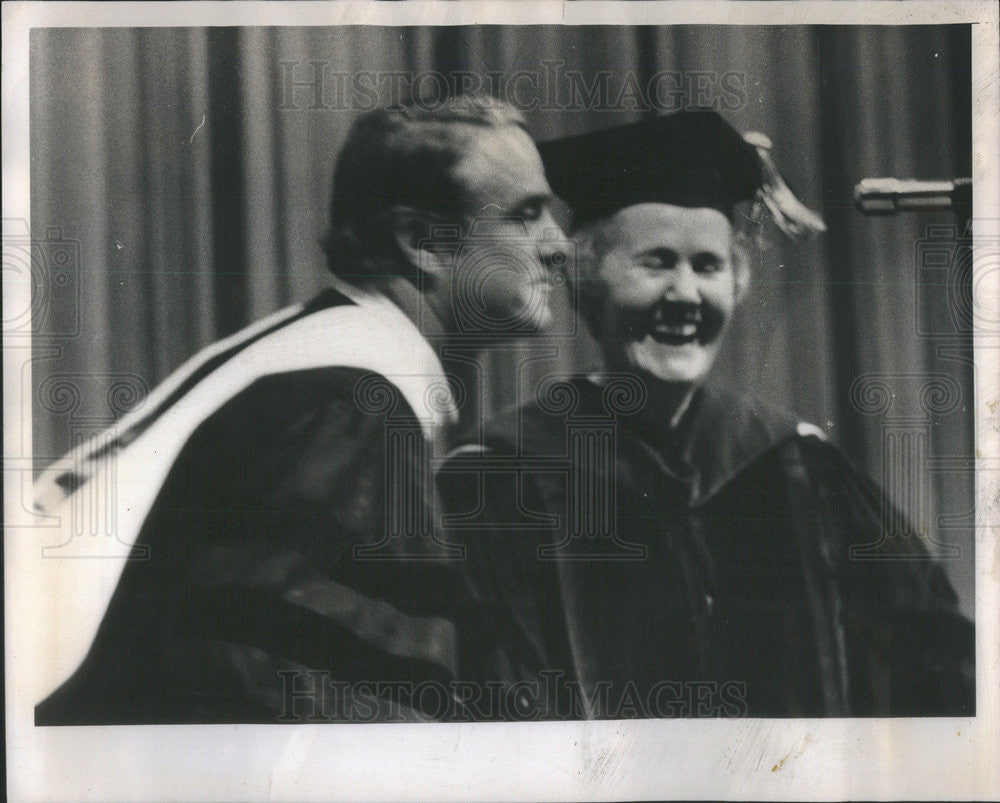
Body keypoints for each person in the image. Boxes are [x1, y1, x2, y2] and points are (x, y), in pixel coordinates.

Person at [33, 93, 567, 724]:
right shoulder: (352, 406)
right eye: (527, 215)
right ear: (423, 241)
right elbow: (282, 699)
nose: (558, 245)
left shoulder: (305, 357)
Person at [440, 110, 974, 719]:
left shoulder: (799, 465)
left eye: (708, 265)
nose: (686, 295)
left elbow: (934, 667)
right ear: (587, 283)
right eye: (657, 262)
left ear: (738, 285)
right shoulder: (505, 476)